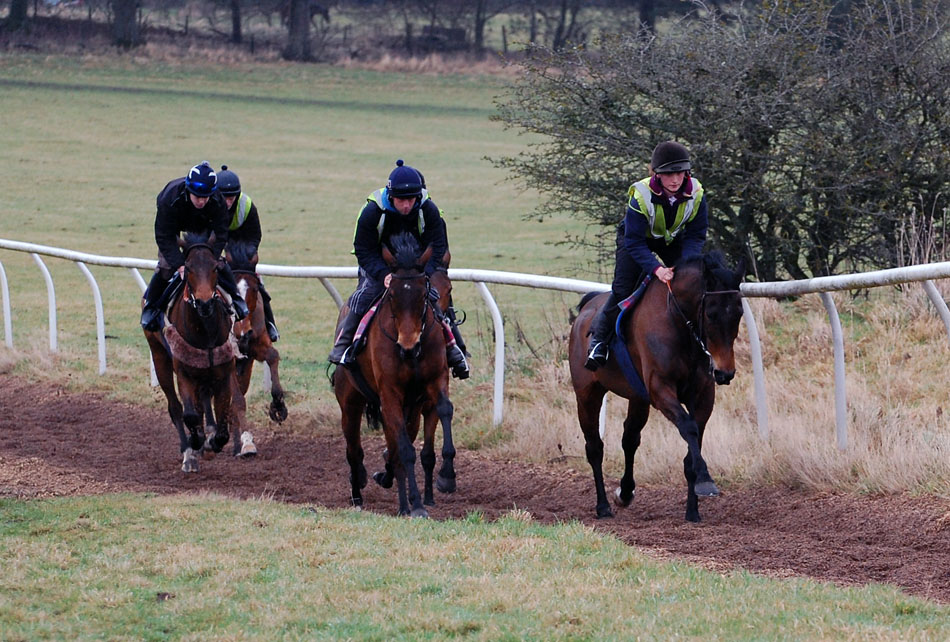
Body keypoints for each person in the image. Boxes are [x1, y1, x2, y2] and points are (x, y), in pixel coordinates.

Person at [328, 159, 470, 380]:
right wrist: (383, 275)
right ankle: (344, 344)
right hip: (378, 266)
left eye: (411, 200)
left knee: (434, 300)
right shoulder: (373, 212)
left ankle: (454, 349)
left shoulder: (428, 209)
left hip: (416, 270)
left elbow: (438, 246)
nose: (406, 206)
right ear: (391, 195)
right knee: (364, 296)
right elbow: (362, 249)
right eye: (401, 200)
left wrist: (427, 275)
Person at [585, 141, 709, 370]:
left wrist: (686, 264)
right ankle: (599, 341)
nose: (675, 179)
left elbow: (696, 235)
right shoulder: (640, 195)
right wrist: (656, 269)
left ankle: (703, 342)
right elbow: (634, 242)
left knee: (693, 280)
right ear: (657, 174)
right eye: (669, 174)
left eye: (680, 173)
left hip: (670, 240)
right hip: (635, 239)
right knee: (623, 288)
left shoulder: (698, 193)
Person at [140, 161, 249, 331]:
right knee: (166, 266)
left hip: (202, 229)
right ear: (189, 190)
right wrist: (179, 264)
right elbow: (164, 236)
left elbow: (221, 233)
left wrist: (211, 257)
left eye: (205, 197)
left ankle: (236, 298)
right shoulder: (170, 197)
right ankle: (151, 306)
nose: (201, 201)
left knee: (217, 264)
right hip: (174, 229)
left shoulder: (216, 200)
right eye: (197, 196)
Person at [217, 165, 280, 342]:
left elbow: (255, 235)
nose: (228, 202)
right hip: (216, 245)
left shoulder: (246, 206)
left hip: (241, 249)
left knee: (257, 286)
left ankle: (270, 325)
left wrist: (249, 254)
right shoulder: (209, 204)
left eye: (232, 198)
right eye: (224, 198)